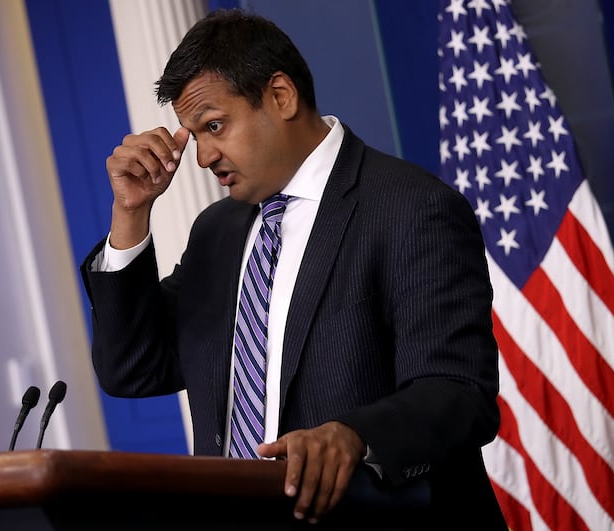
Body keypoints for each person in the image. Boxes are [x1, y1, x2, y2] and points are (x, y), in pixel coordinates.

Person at [80, 8, 505, 529]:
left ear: (280, 96)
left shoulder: (411, 208)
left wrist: (352, 434)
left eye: (215, 126)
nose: (203, 157)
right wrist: (130, 214)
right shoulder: (217, 230)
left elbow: (459, 393)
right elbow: (134, 369)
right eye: (195, 135)